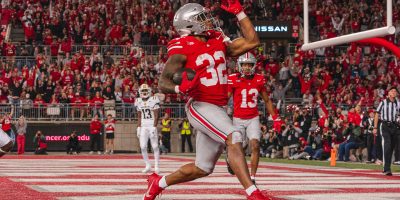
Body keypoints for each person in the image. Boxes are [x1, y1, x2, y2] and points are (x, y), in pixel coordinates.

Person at [150, 1, 272, 200]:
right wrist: (179, 88)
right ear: (189, 24)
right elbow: (163, 81)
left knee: (202, 168)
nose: (208, 20)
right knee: (234, 136)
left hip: (219, 108)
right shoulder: (182, 46)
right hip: (200, 104)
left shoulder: (216, 39)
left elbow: (252, 42)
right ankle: (253, 193)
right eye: (201, 18)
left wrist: (240, 13)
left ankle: (158, 183)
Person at [227, 52, 276, 184]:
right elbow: (225, 98)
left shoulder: (259, 79)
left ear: (254, 66)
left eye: (249, 65)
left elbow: (266, 100)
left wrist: (275, 117)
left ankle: (252, 177)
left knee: (255, 145)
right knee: (240, 148)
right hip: (238, 118)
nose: (247, 67)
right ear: (239, 65)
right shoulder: (233, 79)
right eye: (244, 65)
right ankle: (230, 159)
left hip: (253, 117)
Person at [373, 87, 400, 176]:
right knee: (387, 146)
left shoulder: (398, 103)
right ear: (388, 93)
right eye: (392, 91)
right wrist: (375, 127)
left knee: (391, 147)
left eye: (395, 91)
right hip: (385, 126)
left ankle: (388, 167)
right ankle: (386, 169)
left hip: (394, 126)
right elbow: (377, 114)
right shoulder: (383, 102)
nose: (394, 92)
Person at [135, 83, 161, 174]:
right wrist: (138, 127)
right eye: (143, 91)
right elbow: (139, 116)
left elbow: (157, 115)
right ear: (140, 92)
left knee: (155, 146)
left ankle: (157, 165)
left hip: (151, 124)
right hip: (143, 125)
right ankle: (148, 165)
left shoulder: (154, 99)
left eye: (146, 91)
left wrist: (154, 127)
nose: (144, 92)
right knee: (143, 146)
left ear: (149, 91)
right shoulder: (138, 101)